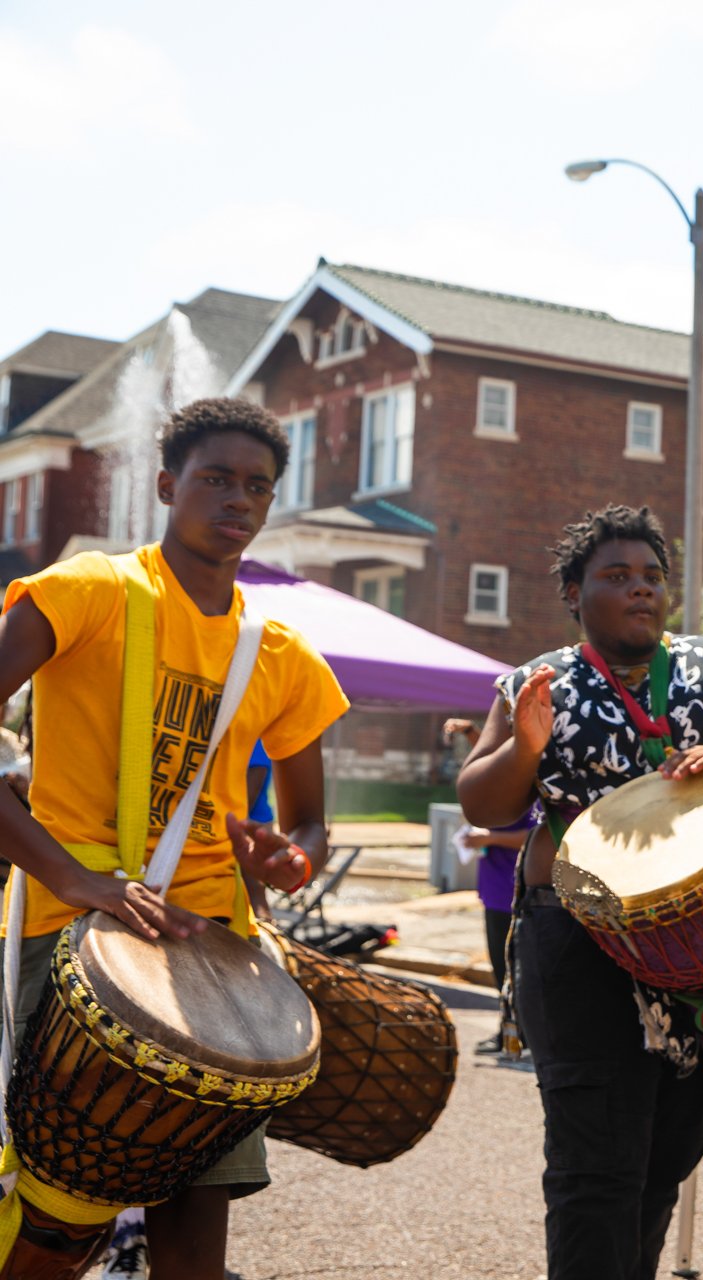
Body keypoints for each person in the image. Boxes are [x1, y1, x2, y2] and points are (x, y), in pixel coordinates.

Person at [0, 397, 348, 1279]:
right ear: (167, 486)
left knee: (195, 1230)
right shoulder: (88, 592)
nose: (238, 500)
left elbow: (308, 818)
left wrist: (292, 855)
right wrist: (71, 876)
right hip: (71, 940)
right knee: (55, 1227)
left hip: (215, 964)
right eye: (216, 479)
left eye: (258, 487)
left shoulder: (282, 653)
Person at [456, 502, 703, 1279]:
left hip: (702, 953)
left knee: (667, 1154)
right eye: (616, 576)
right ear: (573, 590)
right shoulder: (535, 683)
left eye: (653, 577)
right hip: (578, 946)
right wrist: (526, 745)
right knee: (595, 1168)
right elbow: (483, 803)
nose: (641, 590)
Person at [446, 716, 538, 1057]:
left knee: (516, 969)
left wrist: (489, 836)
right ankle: (508, 1034)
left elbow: (536, 833)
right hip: (494, 887)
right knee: (503, 970)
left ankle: (523, 1036)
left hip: (514, 888)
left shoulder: (531, 778)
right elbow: (487, 757)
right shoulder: (501, 775)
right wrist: (471, 732)